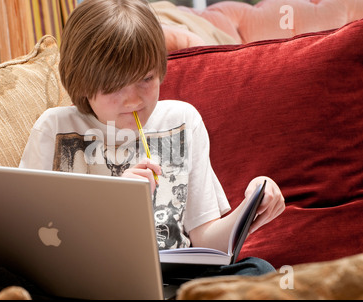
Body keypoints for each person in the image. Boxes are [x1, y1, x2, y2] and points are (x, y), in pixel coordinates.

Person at [19, 0, 285, 277]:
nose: (134, 100)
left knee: (258, 270)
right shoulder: (55, 127)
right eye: (113, 87)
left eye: (146, 78)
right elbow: (28, 237)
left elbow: (208, 244)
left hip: (172, 281)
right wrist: (111, 201)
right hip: (84, 276)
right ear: (82, 84)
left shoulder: (183, 120)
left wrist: (250, 208)